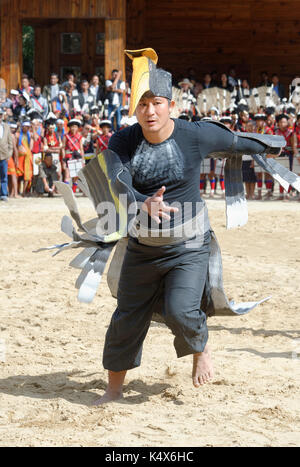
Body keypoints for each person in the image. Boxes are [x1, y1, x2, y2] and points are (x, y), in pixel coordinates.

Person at [92, 48, 283, 405]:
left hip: (189, 247)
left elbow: (235, 141)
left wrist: (275, 143)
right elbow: (116, 178)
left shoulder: (194, 135)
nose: (150, 111)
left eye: (157, 103)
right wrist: (140, 201)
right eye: (143, 104)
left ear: (171, 105)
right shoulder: (123, 141)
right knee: (126, 318)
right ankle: (113, 389)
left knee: (182, 310)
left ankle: (201, 349)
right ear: (135, 108)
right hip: (141, 248)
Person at [61, 119, 84, 191]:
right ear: (69, 128)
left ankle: (73, 191)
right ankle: (66, 191)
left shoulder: (79, 136)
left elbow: (81, 148)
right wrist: (63, 160)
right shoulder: (66, 136)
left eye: (75, 127)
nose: (73, 128)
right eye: (72, 127)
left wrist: (83, 160)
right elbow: (63, 148)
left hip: (77, 157)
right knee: (67, 174)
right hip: (69, 157)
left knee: (76, 176)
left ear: (77, 128)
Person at [16, 120, 33, 196]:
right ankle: (17, 190)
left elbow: (31, 147)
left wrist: (34, 129)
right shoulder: (18, 135)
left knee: (27, 175)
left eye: (26, 127)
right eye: (23, 127)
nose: (24, 128)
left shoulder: (30, 135)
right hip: (20, 157)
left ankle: (24, 192)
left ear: (29, 127)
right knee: (18, 174)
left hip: (28, 158)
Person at [0, 108, 14, 201]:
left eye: (0, 115)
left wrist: (9, 155)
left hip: (4, 155)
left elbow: (10, 143)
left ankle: (4, 194)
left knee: (4, 176)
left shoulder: (6, 127)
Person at [7, 122, 20, 198]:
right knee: (13, 176)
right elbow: (15, 149)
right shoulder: (12, 136)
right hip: (9, 157)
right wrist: (16, 160)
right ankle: (15, 193)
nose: (13, 129)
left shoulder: (10, 135)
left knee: (9, 176)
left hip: (7, 157)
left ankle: (12, 193)